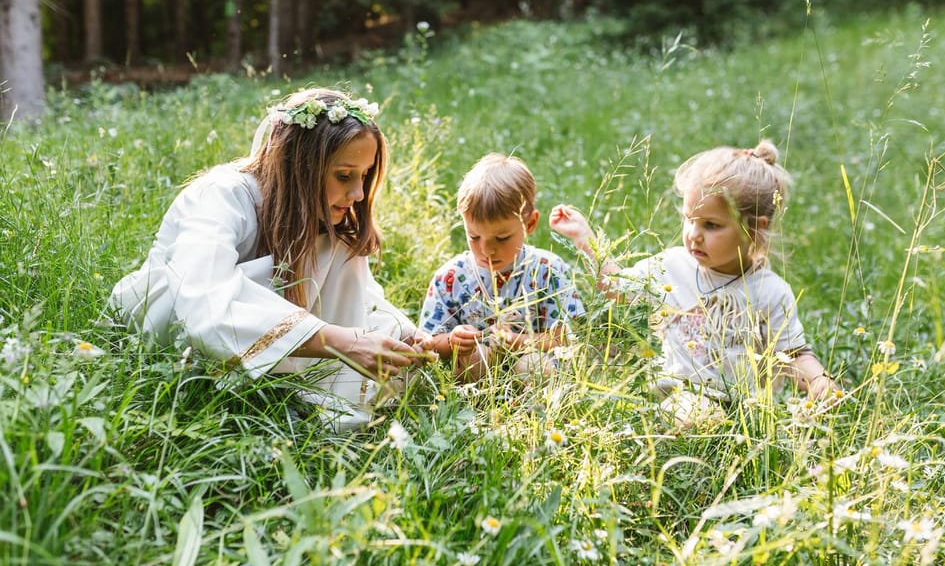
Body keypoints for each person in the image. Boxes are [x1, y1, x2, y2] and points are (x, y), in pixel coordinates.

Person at [110, 87, 434, 430]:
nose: (357, 194)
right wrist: (341, 342)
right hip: (168, 338)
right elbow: (202, 305)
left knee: (341, 244)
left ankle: (305, 401)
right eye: (344, 175)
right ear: (303, 165)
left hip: (256, 345)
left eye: (365, 176)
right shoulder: (220, 196)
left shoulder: (325, 220)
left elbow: (360, 299)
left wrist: (411, 338)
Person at [549, 140, 837, 423]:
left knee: (703, 417)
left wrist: (820, 384)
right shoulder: (671, 267)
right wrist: (584, 239)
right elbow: (618, 289)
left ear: (754, 228)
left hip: (744, 413)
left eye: (711, 225)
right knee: (690, 413)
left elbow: (792, 353)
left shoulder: (770, 292)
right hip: (675, 397)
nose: (694, 235)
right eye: (690, 219)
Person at [419, 153, 585, 382]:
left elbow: (568, 338)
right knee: (475, 359)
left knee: (533, 366)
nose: (487, 250)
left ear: (530, 224)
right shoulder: (451, 277)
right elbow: (427, 342)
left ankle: (532, 414)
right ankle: (474, 414)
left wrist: (517, 341)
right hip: (474, 378)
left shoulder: (549, 270)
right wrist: (452, 341)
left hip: (533, 369)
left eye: (502, 238)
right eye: (474, 236)